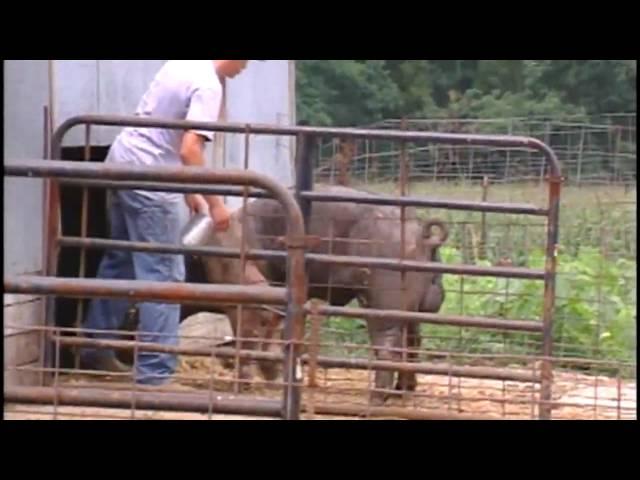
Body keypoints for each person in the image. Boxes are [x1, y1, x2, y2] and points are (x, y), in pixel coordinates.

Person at [80, 60, 250, 385]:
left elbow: (166, 131)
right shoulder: (208, 85)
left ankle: (93, 347)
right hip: (151, 182)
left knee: (122, 260)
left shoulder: (183, 63)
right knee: (164, 274)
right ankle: (155, 372)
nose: (246, 67)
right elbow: (189, 150)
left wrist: (188, 189)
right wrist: (216, 205)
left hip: (122, 163)